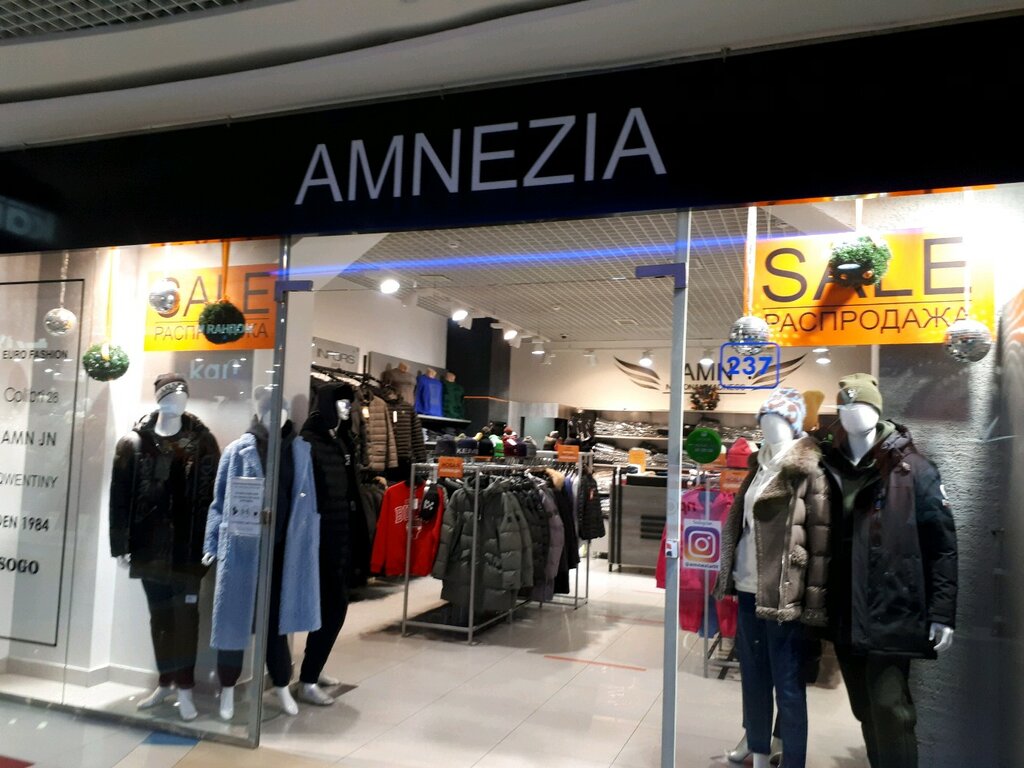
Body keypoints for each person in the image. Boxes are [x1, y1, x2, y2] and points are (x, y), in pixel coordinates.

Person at [818, 373, 957, 768]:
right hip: (844, 609)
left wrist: (942, 612)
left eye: (861, 405)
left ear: (878, 411)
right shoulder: (829, 467)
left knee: (890, 709)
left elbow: (942, 546)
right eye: (845, 406)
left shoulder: (914, 470)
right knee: (865, 708)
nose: (852, 413)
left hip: (891, 608)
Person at [715, 387, 830, 768]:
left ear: (793, 424)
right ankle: (759, 751)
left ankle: (793, 759)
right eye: (764, 420)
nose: (769, 427)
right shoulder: (758, 467)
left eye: (777, 420)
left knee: (789, 685)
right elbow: (743, 527)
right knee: (753, 677)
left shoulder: (807, 471)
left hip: (785, 595)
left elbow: (820, 543)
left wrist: (813, 604)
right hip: (748, 585)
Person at [203, 386, 321, 719]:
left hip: (285, 551)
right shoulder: (237, 451)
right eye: (268, 409)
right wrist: (212, 545)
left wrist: (310, 542)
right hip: (242, 549)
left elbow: (309, 503)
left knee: (276, 623)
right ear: (259, 412)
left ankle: (281, 684)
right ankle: (228, 689)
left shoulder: (300, 451)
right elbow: (218, 503)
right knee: (233, 620)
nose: (274, 416)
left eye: (280, 409)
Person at [109, 374, 220, 721]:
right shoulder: (134, 442)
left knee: (186, 619)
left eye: (182, 395)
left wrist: (212, 540)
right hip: (148, 547)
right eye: (170, 395)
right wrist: (120, 544)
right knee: (159, 616)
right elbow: (119, 496)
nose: (177, 401)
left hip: (188, 549)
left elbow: (215, 497)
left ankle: (185, 688)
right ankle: (165, 681)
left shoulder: (202, 442)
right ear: (158, 399)